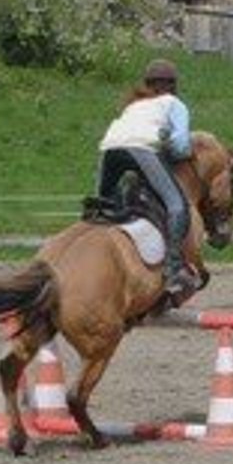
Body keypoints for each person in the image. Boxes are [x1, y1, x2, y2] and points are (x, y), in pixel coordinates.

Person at [96, 59, 198, 300]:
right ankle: (173, 269)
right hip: (141, 150)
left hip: (110, 151)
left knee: (103, 207)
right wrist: (177, 151)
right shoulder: (175, 104)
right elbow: (181, 146)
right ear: (173, 86)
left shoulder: (134, 105)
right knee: (177, 205)